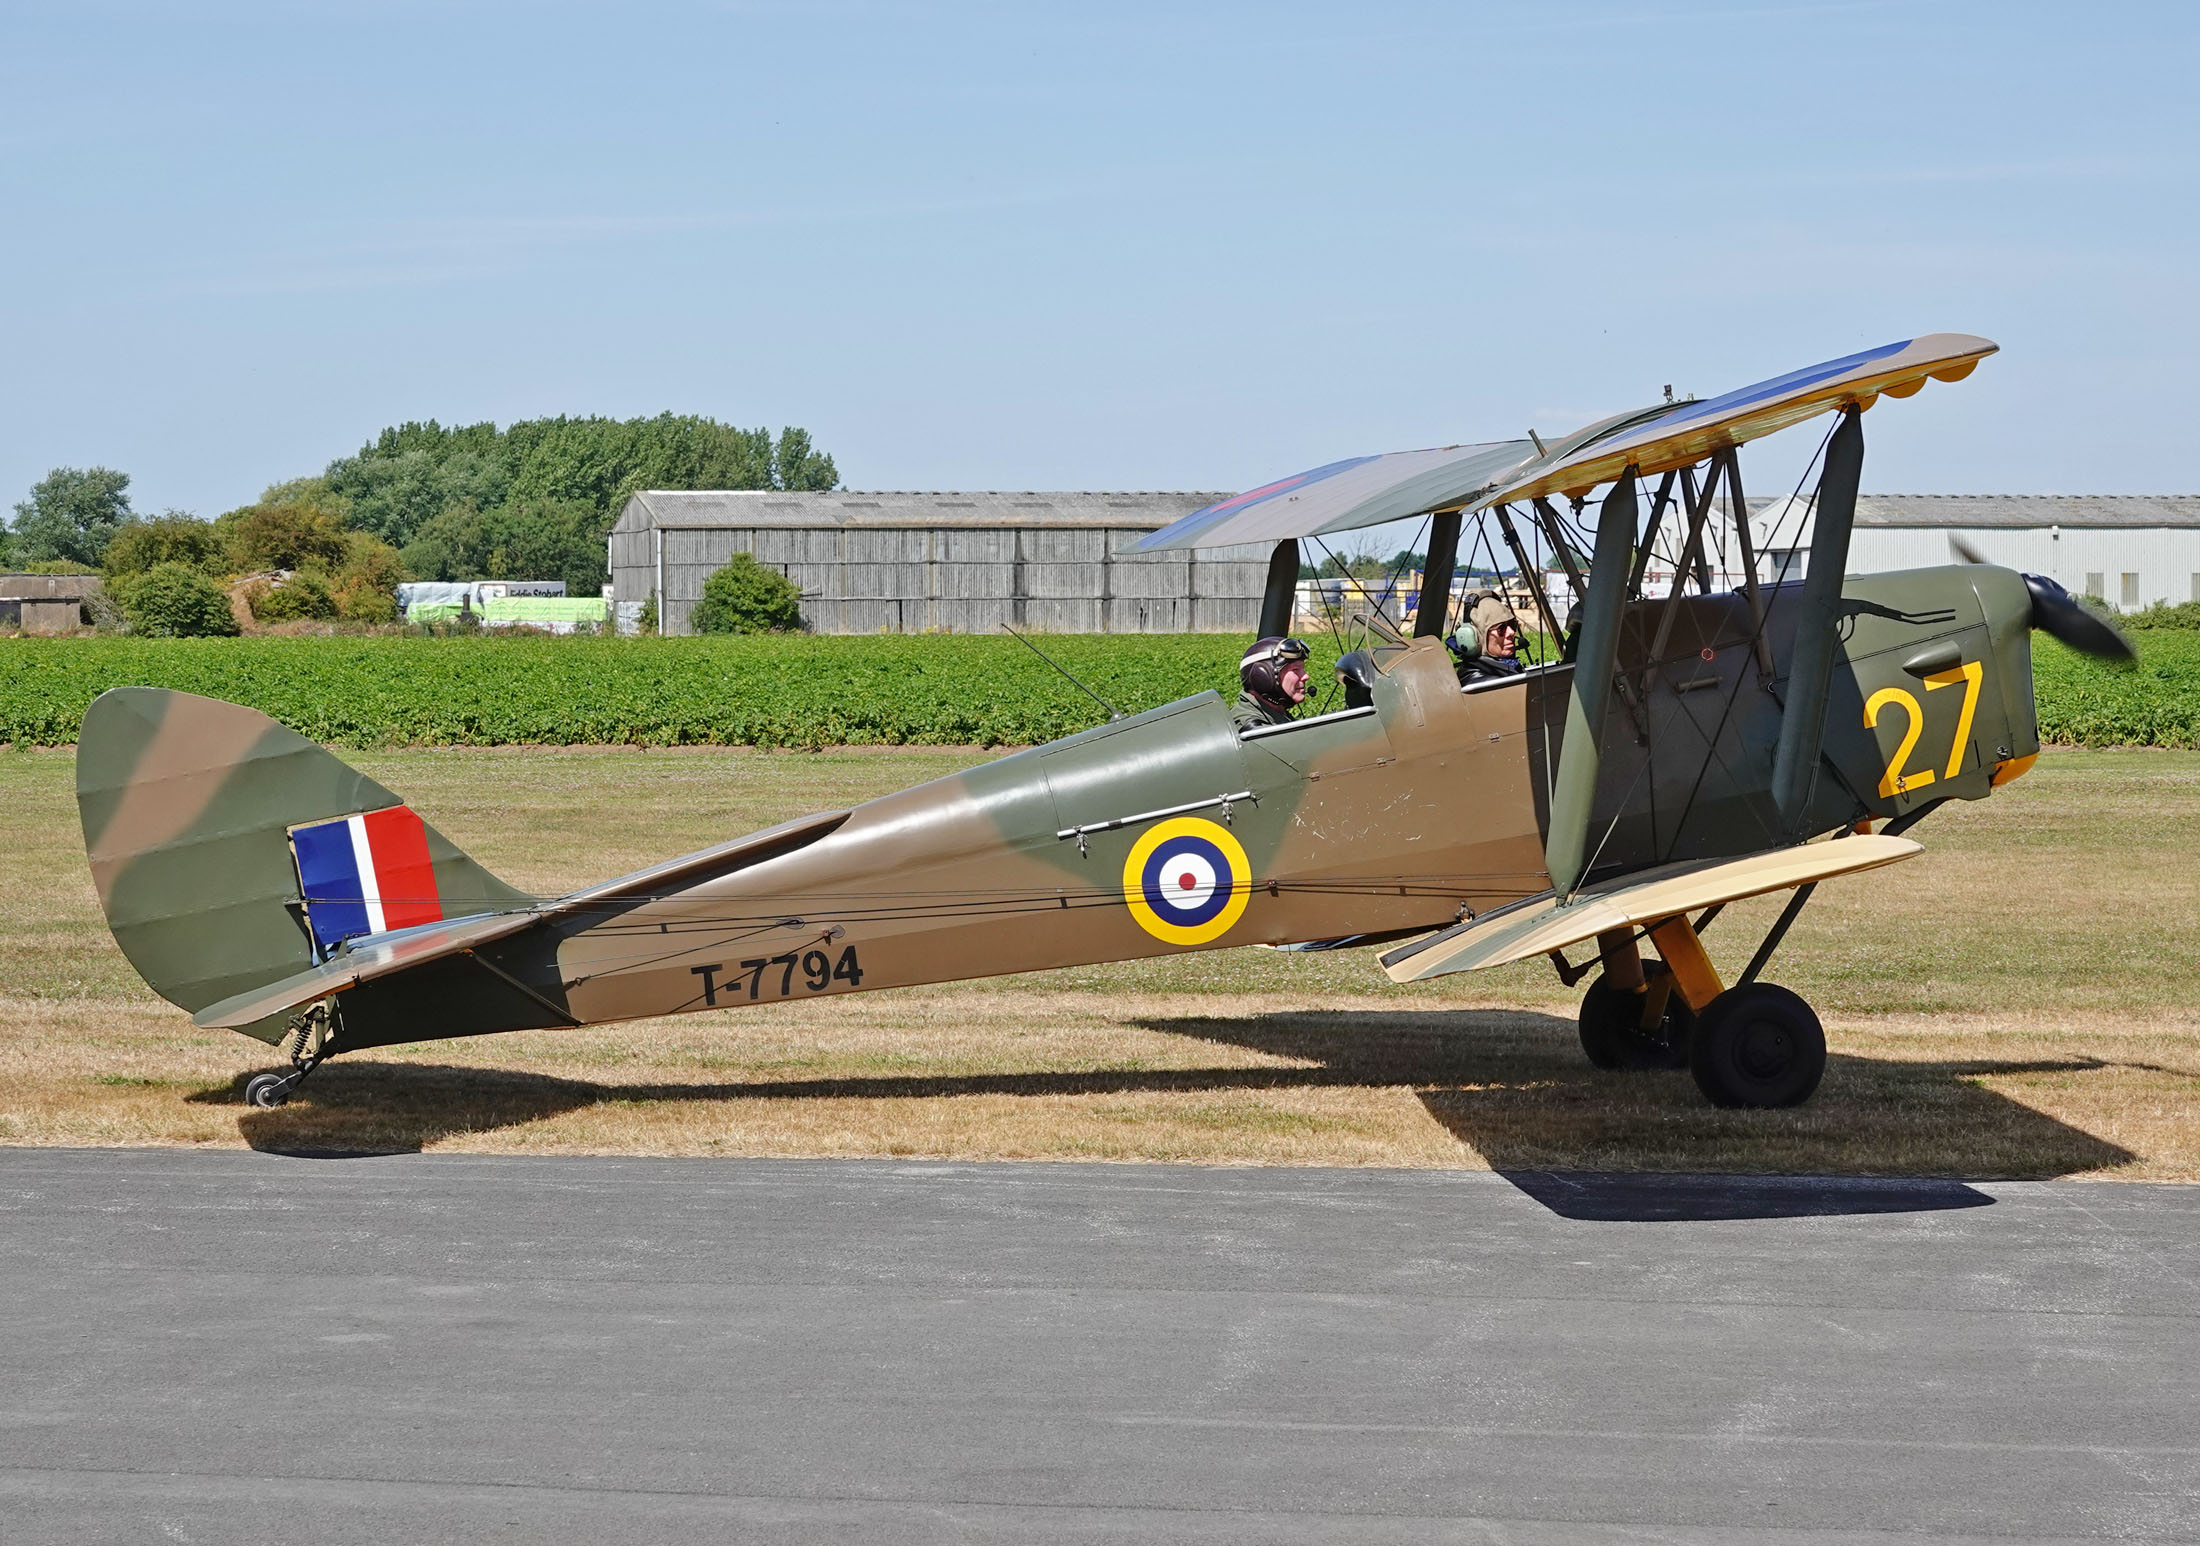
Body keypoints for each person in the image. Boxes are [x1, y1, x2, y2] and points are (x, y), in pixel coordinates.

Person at [1232, 635, 1312, 732]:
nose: (1306, 676)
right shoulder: (1252, 728)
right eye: (1295, 670)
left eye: (1302, 669)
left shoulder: (1275, 714)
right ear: (1262, 676)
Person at [1448, 592, 1526, 685]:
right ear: (1475, 638)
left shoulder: (1507, 668)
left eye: (1512, 625)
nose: (1512, 632)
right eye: (1501, 628)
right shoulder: (1482, 684)